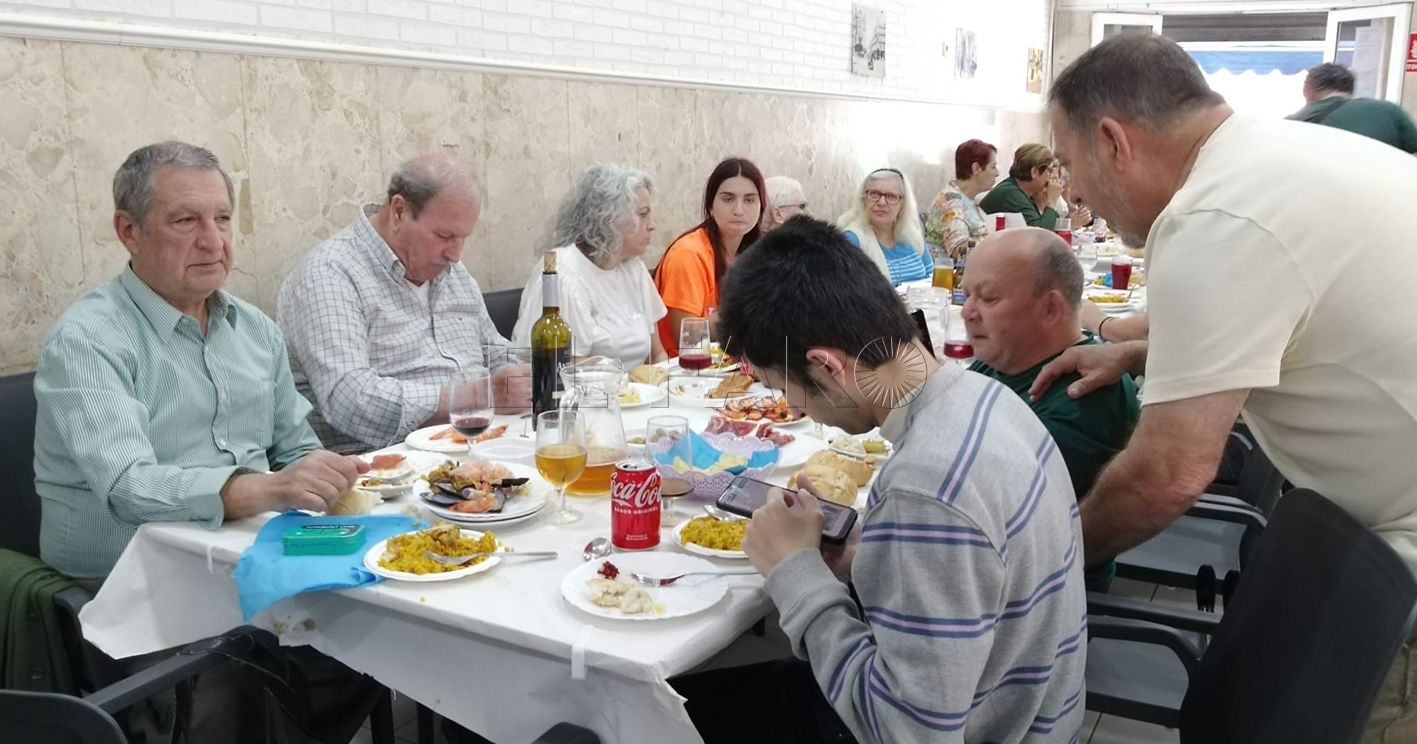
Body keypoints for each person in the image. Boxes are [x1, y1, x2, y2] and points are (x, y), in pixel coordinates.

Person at [1043, 33, 1417, 740]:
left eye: (1069, 166)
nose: (1074, 192)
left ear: (1113, 142)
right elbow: (1296, 322)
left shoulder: (1212, 215)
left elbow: (1167, 475)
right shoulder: (1279, 157)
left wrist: (1045, 562)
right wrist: (1141, 356)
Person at [684, 216, 1086, 743]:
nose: (793, 407)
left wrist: (794, 573)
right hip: (1030, 706)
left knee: (669, 711)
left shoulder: (926, 487)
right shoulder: (988, 397)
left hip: (986, 727)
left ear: (826, 367)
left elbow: (904, 732)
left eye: (783, 388)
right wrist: (866, 556)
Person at [32, 141, 379, 742]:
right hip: (131, 585)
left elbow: (292, 447)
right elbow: (129, 485)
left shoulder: (255, 329)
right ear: (128, 231)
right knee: (232, 680)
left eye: (222, 218)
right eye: (185, 220)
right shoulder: (88, 340)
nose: (214, 241)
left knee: (382, 629)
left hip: (251, 561)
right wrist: (265, 489)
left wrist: (322, 475)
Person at [278, 154, 531, 453]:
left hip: (480, 442)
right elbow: (348, 398)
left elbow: (493, 350)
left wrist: (526, 375)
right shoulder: (331, 274)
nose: (455, 255)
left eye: (463, 238)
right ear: (398, 211)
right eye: (444, 236)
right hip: (383, 462)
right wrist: (475, 397)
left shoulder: (451, 272)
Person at [961, 227, 1140, 589]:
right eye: (965, 295)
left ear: (1050, 309)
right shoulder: (1003, 360)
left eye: (988, 298)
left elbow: (978, 505)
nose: (967, 312)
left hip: (1035, 597)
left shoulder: (1085, 397)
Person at [511, 164, 667, 367]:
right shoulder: (562, 274)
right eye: (643, 214)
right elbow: (559, 367)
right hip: (585, 388)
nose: (652, 225)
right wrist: (625, 382)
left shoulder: (633, 268)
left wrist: (667, 381)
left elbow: (657, 354)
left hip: (636, 387)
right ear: (608, 218)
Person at [653, 157, 766, 357]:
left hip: (731, 363)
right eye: (728, 199)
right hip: (681, 369)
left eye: (749, 200)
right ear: (711, 206)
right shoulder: (688, 254)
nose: (739, 210)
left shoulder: (758, 253)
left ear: (761, 206)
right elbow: (687, 338)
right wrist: (749, 313)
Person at [1288, 62, 1417, 154]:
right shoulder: (1389, 111)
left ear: (1308, 90)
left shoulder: (1293, 124)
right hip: (1382, 184)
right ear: (1351, 88)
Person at [836, 168, 932, 285]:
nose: (881, 202)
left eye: (891, 196)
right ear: (864, 199)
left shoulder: (912, 236)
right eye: (874, 194)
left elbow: (931, 279)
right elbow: (840, 289)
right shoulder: (853, 240)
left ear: (902, 204)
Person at [923, 138, 997, 259]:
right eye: (993, 167)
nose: (997, 173)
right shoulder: (951, 203)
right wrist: (998, 247)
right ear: (976, 168)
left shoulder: (967, 200)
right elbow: (960, 250)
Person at [979, 143, 1064, 230]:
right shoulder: (1011, 194)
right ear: (1034, 172)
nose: (1052, 176)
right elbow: (1040, 233)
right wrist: (1052, 201)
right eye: (1049, 170)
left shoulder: (1023, 192)